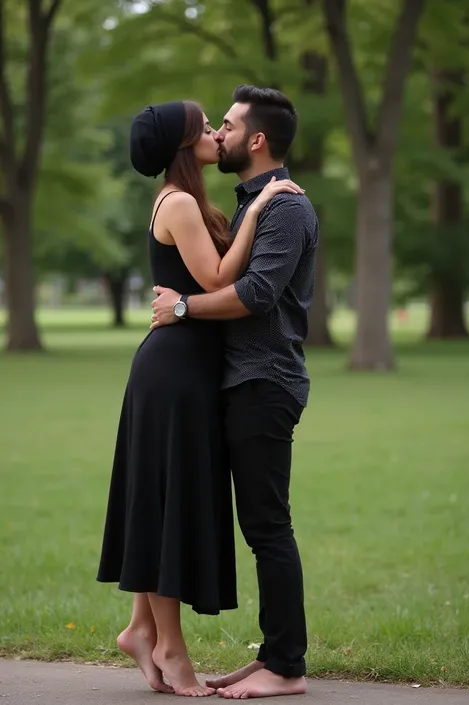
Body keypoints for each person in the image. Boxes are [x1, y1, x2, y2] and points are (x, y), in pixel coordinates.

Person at [96, 98, 304, 697]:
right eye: (206, 126)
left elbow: (211, 277)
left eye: (223, 124)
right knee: (166, 501)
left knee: (163, 499)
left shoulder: (191, 200)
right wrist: (264, 201)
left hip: (191, 368)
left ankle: (141, 628)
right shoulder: (181, 201)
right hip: (176, 371)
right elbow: (218, 281)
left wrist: (257, 205)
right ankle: (171, 649)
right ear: (186, 144)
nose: (215, 132)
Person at [150, 85, 319, 699]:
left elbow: (254, 295)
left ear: (256, 140)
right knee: (248, 524)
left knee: (268, 526)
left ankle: (287, 667)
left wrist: (184, 309)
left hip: (264, 383)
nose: (215, 134)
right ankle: (268, 655)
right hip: (233, 384)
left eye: (225, 125)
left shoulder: (287, 209)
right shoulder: (253, 202)